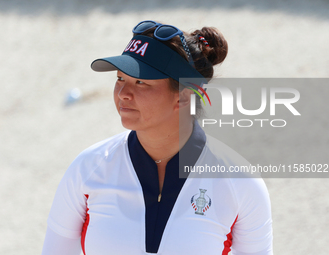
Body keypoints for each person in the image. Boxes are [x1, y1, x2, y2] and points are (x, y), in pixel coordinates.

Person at [42, 20, 273, 255]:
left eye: (141, 82)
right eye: (120, 78)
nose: (123, 94)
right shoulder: (88, 168)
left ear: (183, 97)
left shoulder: (241, 183)